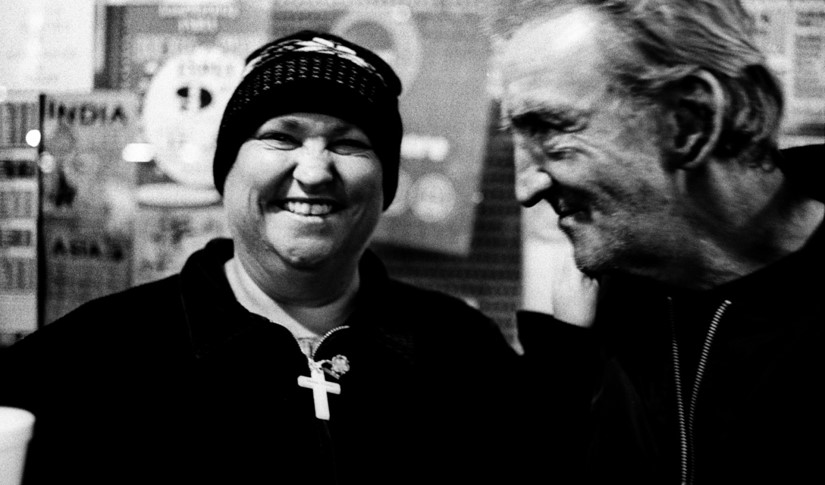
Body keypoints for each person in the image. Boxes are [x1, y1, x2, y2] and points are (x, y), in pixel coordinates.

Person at [0, 31, 526, 485]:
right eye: (280, 137)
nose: (314, 171)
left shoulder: (467, 355)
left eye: (348, 143)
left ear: (385, 183)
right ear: (227, 171)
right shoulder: (87, 361)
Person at [490, 0, 825, 485]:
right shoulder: (626, 281)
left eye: (551, 131)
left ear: (690, 121)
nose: (526, 188)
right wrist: (568, 354)